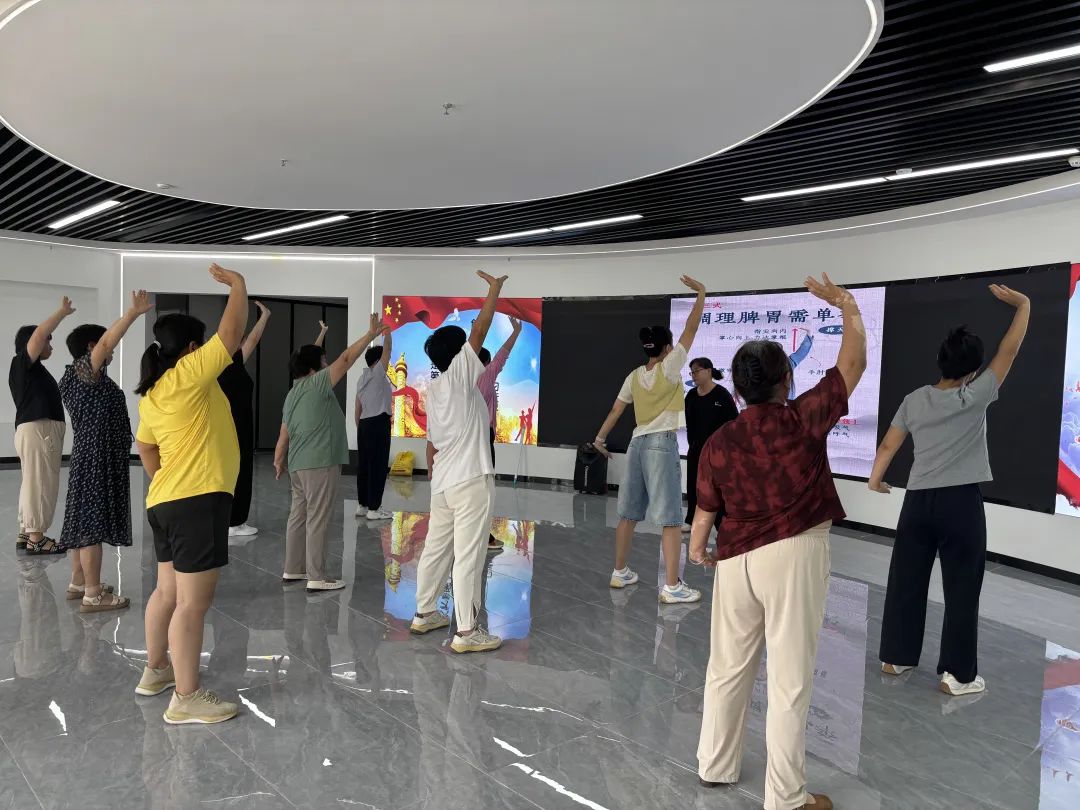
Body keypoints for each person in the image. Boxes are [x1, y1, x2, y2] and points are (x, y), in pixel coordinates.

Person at [690, 273, 865, 810]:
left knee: (727, 666)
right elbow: (853, 364)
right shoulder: (803, 418)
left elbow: (705, 509)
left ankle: (715, 765)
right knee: (789, 679)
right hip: (794, 554)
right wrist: (847, 306)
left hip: (735, 560)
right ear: (787, 379)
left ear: (738, 389)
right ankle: (786, 796)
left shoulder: (720, 440)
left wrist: (697, 550)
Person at [870, 284, 1031, 697]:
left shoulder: (915, 399)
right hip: (960, 504)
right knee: (961, 589)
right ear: (972, 370)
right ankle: (958, 676)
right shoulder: (975, 395)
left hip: (917, 503)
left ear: (940, 363)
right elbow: (1009, 350)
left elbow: (888, 445)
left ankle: (896, 658)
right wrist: (1024, 305)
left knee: (906, 581)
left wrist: (875, 479)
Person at [133, 263, 248, 725]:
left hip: (165, 502)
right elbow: (231, 334)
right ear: (192, 349)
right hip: (197, 502)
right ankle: (186, 696)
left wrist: (167, 479)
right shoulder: (189, 374)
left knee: (166, 592)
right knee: (191, 603)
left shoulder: (154, 393)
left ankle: (156, 670)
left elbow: (145, 446)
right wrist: (238, 286)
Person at [592, 275, 707, 604]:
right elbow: (691, 328)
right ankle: (672, 586)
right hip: (660, 444)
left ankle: (620, 572)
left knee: (628, 514)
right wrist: (701, 294)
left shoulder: (634, 376)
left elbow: (616, 410)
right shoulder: (669, 368)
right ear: (667, 349)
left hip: (637, 445)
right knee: (670, 519)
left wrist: (599, 438)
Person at [409, 270, 506, 653]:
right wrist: (494, 290)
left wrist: (434, 476)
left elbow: (432, 445)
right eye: (465, 344)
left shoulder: (435, 390)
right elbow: (480, 329)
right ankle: (467, 632)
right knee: (468, 555)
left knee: (436, 549)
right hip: (470, 481)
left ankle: (424, 613)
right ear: (459, 353)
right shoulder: (459, 376)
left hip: (445, 484)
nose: (472, 345)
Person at [57, 290, 154, 612]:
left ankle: (79, 582)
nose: (110, 349)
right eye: (103, 345)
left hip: (93, 455)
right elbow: (106, 343)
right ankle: (93, 594)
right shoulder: (84, 372)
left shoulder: (79, 376)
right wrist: (132, 314)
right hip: (96, 458)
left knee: (82, 521)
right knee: (91, 525)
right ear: (91, 348)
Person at [275, 314, 387, 592]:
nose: (328, 365)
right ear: (314, 369)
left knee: (298, 516)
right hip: (320, 463)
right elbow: (346, 358)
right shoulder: (318, 383)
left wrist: (278, 460)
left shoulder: (292, 393)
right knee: (317, 519)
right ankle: (316, 576)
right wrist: (370, 335)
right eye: (324, 361)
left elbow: (283, 434)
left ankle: (293, 568)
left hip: (298, 465)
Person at [9, 297, 75, 555]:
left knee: (32, 482)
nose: (50, 345)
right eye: (48, 340)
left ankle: (27, 533)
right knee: (41, 484)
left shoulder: (28, 369)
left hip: (36, 431)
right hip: (40, 431)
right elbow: (37, 336)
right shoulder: (23, 363)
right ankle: (37, 539)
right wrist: (62, 313)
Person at [218, 300, 271, 538]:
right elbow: (251, 340)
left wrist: (264, 316)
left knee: (240, 472)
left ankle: (233, 520)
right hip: (231, 428)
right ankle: (233, 522)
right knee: (235, 474)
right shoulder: (218, 364)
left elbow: (254, 339)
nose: (244, 340)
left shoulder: (233, 361)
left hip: (240, 427)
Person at [477, 317, 523, 549]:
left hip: (466, 437)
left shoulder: (460, 378)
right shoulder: (485, 375)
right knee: (483, 489)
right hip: (483, 438)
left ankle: (469, 535)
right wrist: (516, 332)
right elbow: (502, 355)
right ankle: (482, 538)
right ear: (485, 363)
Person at [682, 357, 738, 532]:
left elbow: (734, 424)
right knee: (693, 484)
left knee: (717, 488)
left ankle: (721, 524)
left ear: (708, 371)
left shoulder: (722, 395)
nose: (694, 375)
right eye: (692, 372)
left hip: (717, 453)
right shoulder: (691, 395)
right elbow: (689, 423)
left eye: (697, 371)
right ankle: (690, 518)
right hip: (696, 449)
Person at [355, 326, 394, 521]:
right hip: (378, 423)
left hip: (364, 425)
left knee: (364, 465)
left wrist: (361, 428)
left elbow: (357, 408)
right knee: (378, 466)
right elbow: (388, 349)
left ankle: (362, 505)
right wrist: (388, 332)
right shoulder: (378, 373)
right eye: (385, 359)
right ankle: (374, 509)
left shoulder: (362, 378)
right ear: (378, 361)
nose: (388, 361)